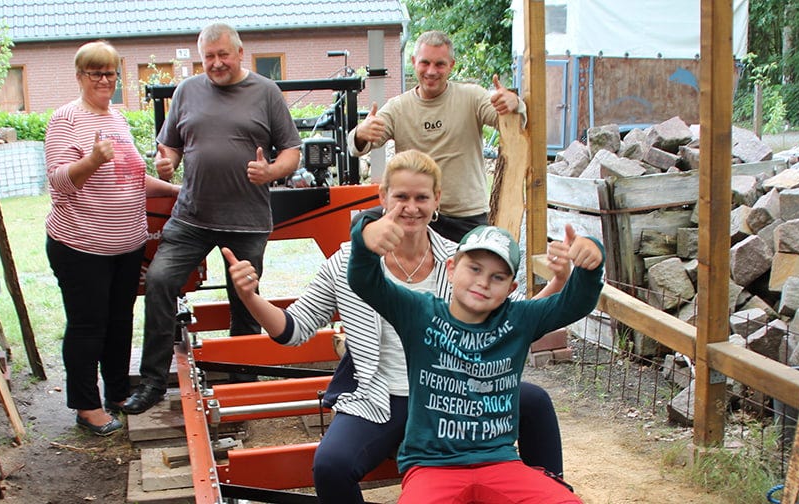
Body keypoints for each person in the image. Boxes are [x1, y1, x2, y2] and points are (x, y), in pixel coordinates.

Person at [223, 149, 572, 503]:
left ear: (437, 200)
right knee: (331, 464)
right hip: (381, 395)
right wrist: (252, 298)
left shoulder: (460, 261)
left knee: (535, 401)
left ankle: (548, 490)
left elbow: (511, 320)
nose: (411, 207)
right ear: (383, 197)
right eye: (401, 196)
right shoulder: (346, 261)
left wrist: (558, 282)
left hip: (452, 393)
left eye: (422, 197)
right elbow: (295, 328)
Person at [346, 154, 605, 504]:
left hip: (498, 460)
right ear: (451, 269)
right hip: (430, 464)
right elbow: (366, 282)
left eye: (498, 277)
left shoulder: (518, 319)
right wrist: (364, 239)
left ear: (511, 289)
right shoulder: (419, 312)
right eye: (475, 269)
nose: (483, 283)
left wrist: (591, 263)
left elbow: (573, 304)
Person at [122, 22, 302, 414]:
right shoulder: (186, 91)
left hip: (247, 219)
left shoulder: (266, 92)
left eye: (223, 55)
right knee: (159, 280)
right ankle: (153, 380)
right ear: (201, 58)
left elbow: (292, 151)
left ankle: (243, 377)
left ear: (240, 53)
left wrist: (272, 171)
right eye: (209, 57)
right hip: (192, 217)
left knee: (245, 298)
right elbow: (168, 144)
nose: (217, 63)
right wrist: (165, 161)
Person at [44, 40, 180, 436]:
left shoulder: (118, 118)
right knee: (89, 326)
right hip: (82, 245)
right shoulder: (65, 119)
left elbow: (131, 176)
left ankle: (117, 393)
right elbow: (58, 182)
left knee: (120, 322)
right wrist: (91, 161)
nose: (104, 80)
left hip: (126, 244)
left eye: (110, 73)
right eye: (95, 73)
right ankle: (86, 406)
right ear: (79, 77)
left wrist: (174, 190)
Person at [348, 30, 526, 242]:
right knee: (362, 224)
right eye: (425, 63)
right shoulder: (398, 107)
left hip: (464, 217)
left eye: (439, 64)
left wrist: (514, 104)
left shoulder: (472, 97)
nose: (431, 71)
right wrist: (361, 133)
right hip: (414, 213)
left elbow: (510, 124)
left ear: (451, 65)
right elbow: (359, 145)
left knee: (482, 265)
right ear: (414, 62)